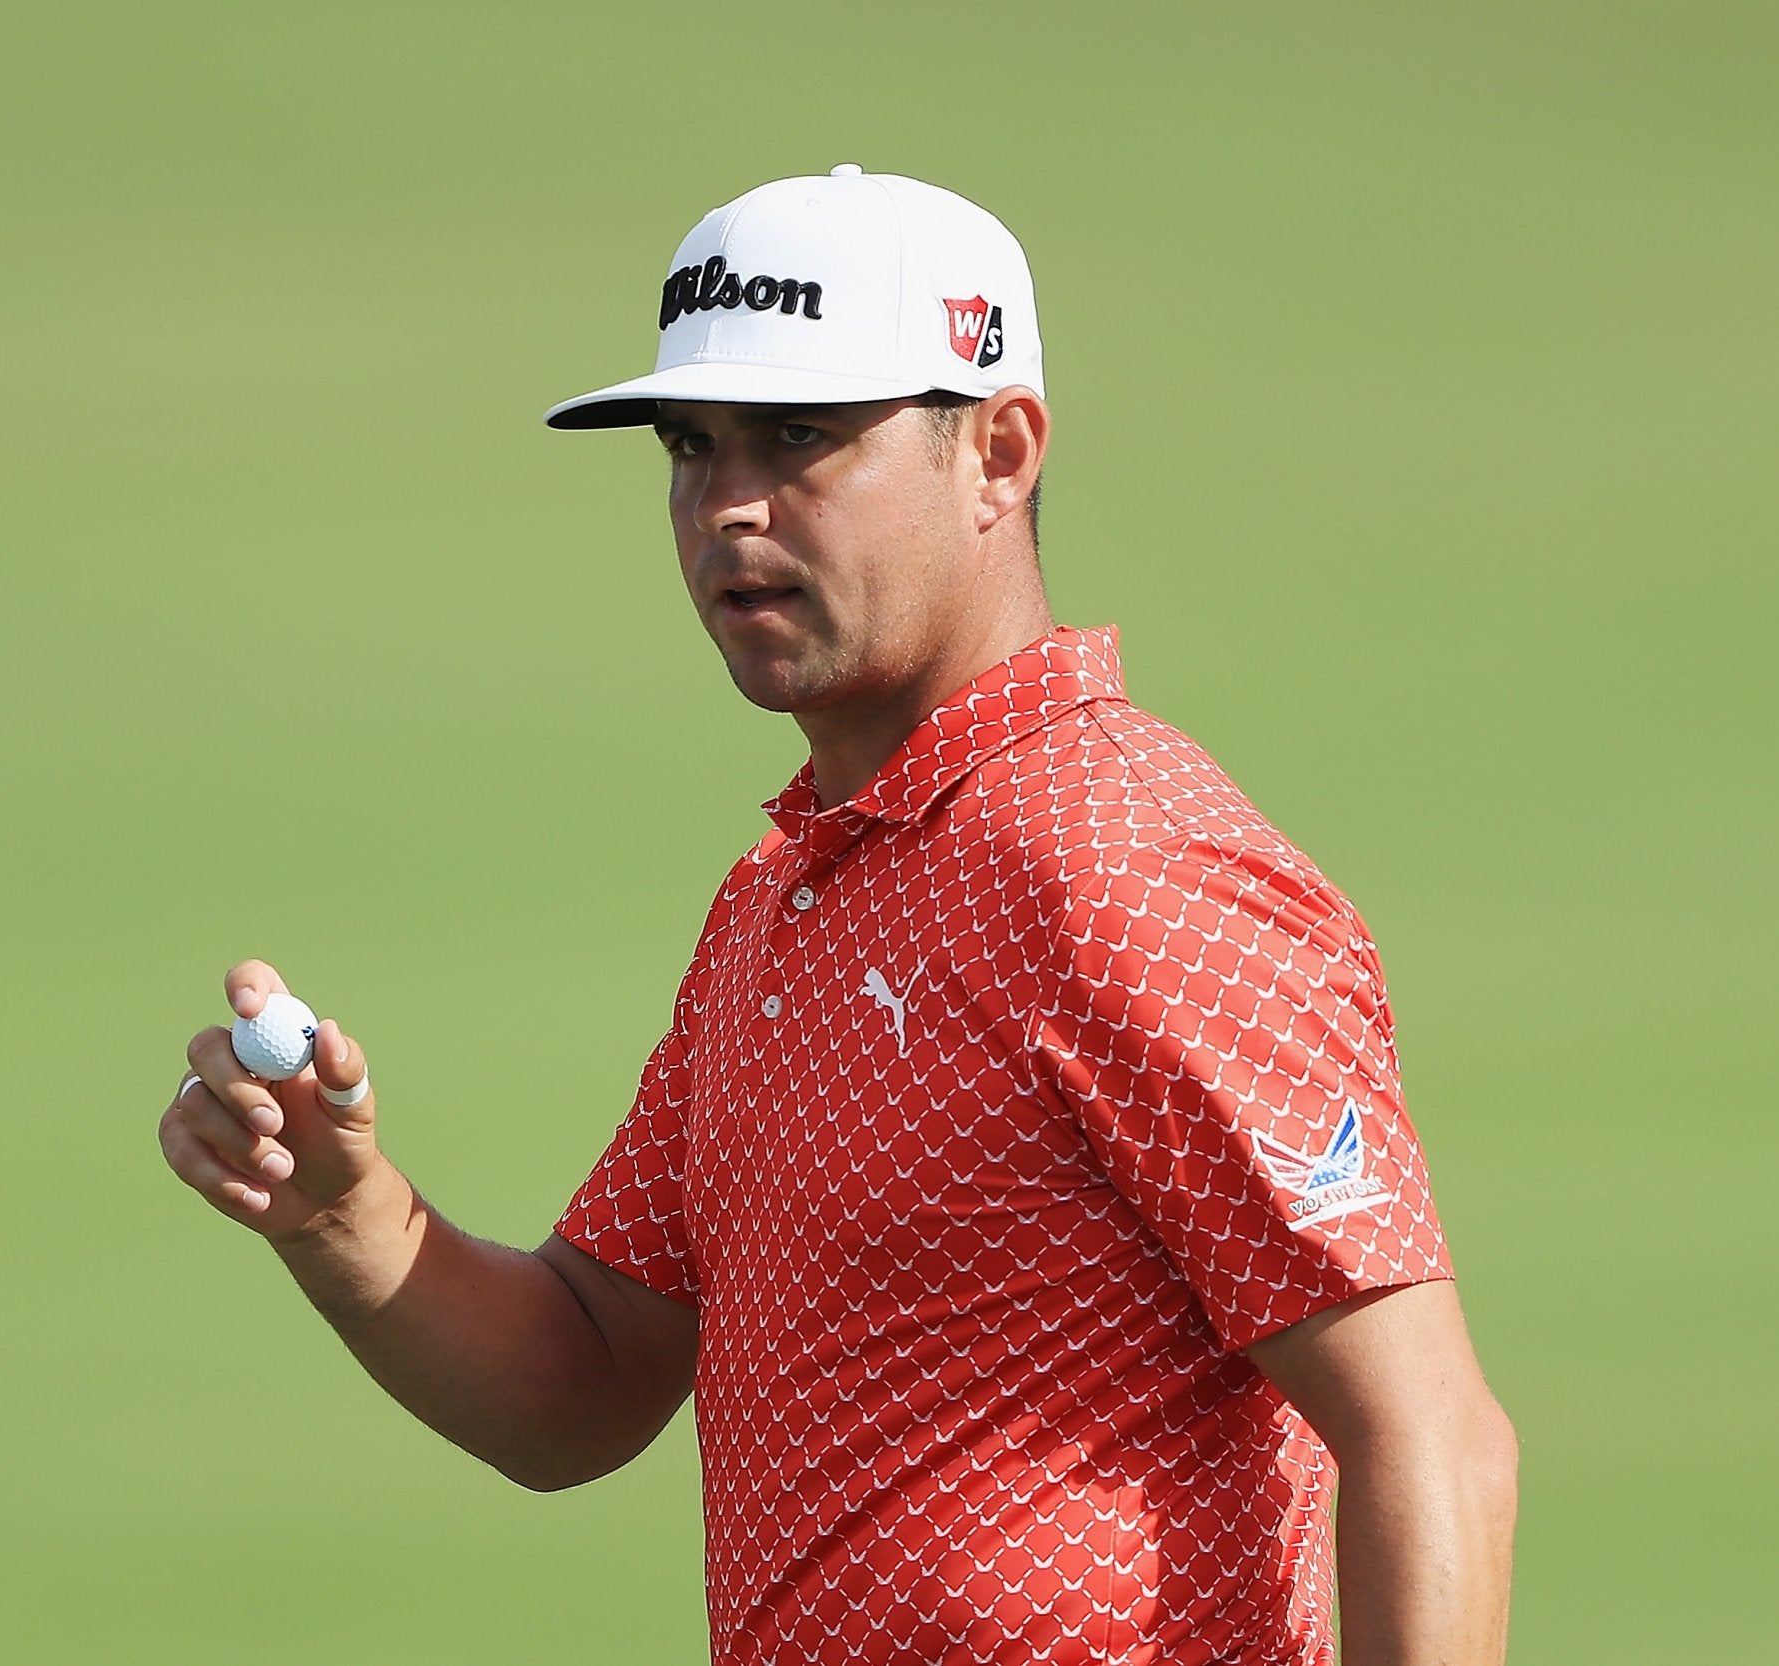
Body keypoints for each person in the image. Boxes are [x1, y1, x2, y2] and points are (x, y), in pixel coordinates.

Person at [157, 166, 1518, 1665]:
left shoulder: (1134, 863)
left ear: (997, 452)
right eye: (692, 445)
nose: (728, 503)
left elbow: (1433, 1440)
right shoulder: (791, 889)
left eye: (801, 436)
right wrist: (340, 1213)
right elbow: (589, 1373)